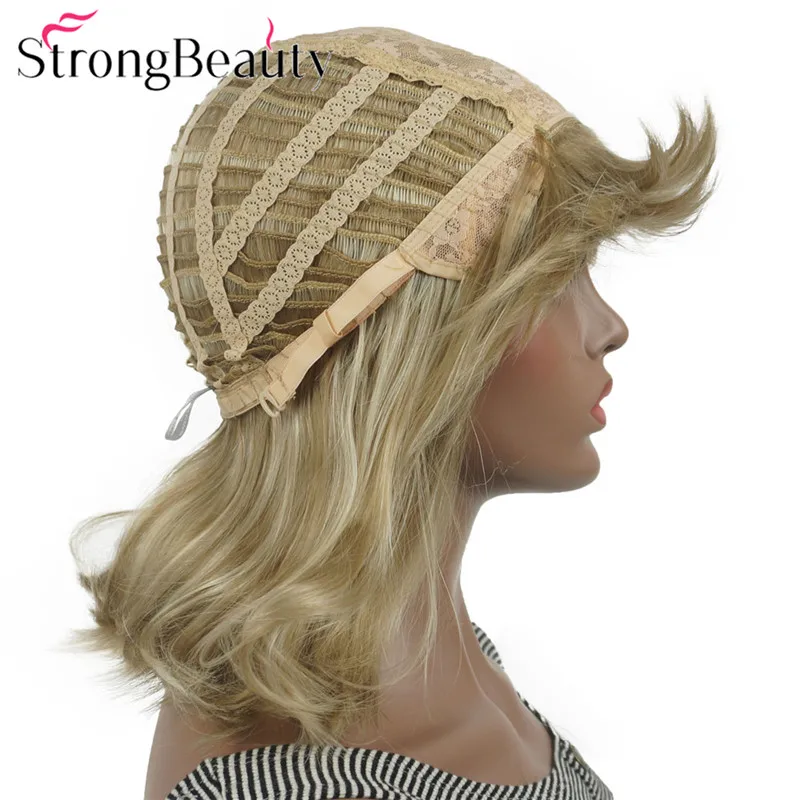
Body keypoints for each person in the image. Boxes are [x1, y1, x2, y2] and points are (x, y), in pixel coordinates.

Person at [60, 25, 718, 800]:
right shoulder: (300, 784)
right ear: (410, 337)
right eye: (559, 277)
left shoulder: (438, 657)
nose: (608, 328)